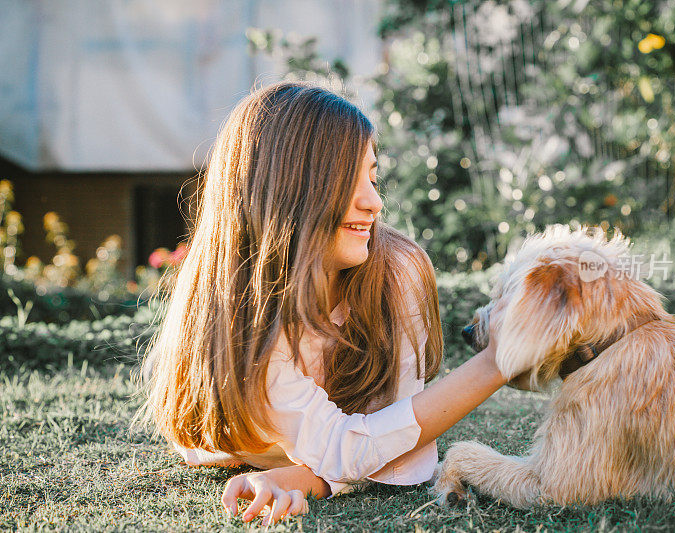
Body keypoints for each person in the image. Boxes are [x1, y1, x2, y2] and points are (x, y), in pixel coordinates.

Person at [137, 81, 506, 526]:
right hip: (237, 446)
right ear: (287, 191)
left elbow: (395, 442)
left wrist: (297, 478)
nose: (374, 202)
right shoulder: (245, 310)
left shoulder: (397, 272)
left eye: (372, 176)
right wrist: (499, 360)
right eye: (346, 180)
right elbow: (364, 449)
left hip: (297, 453)